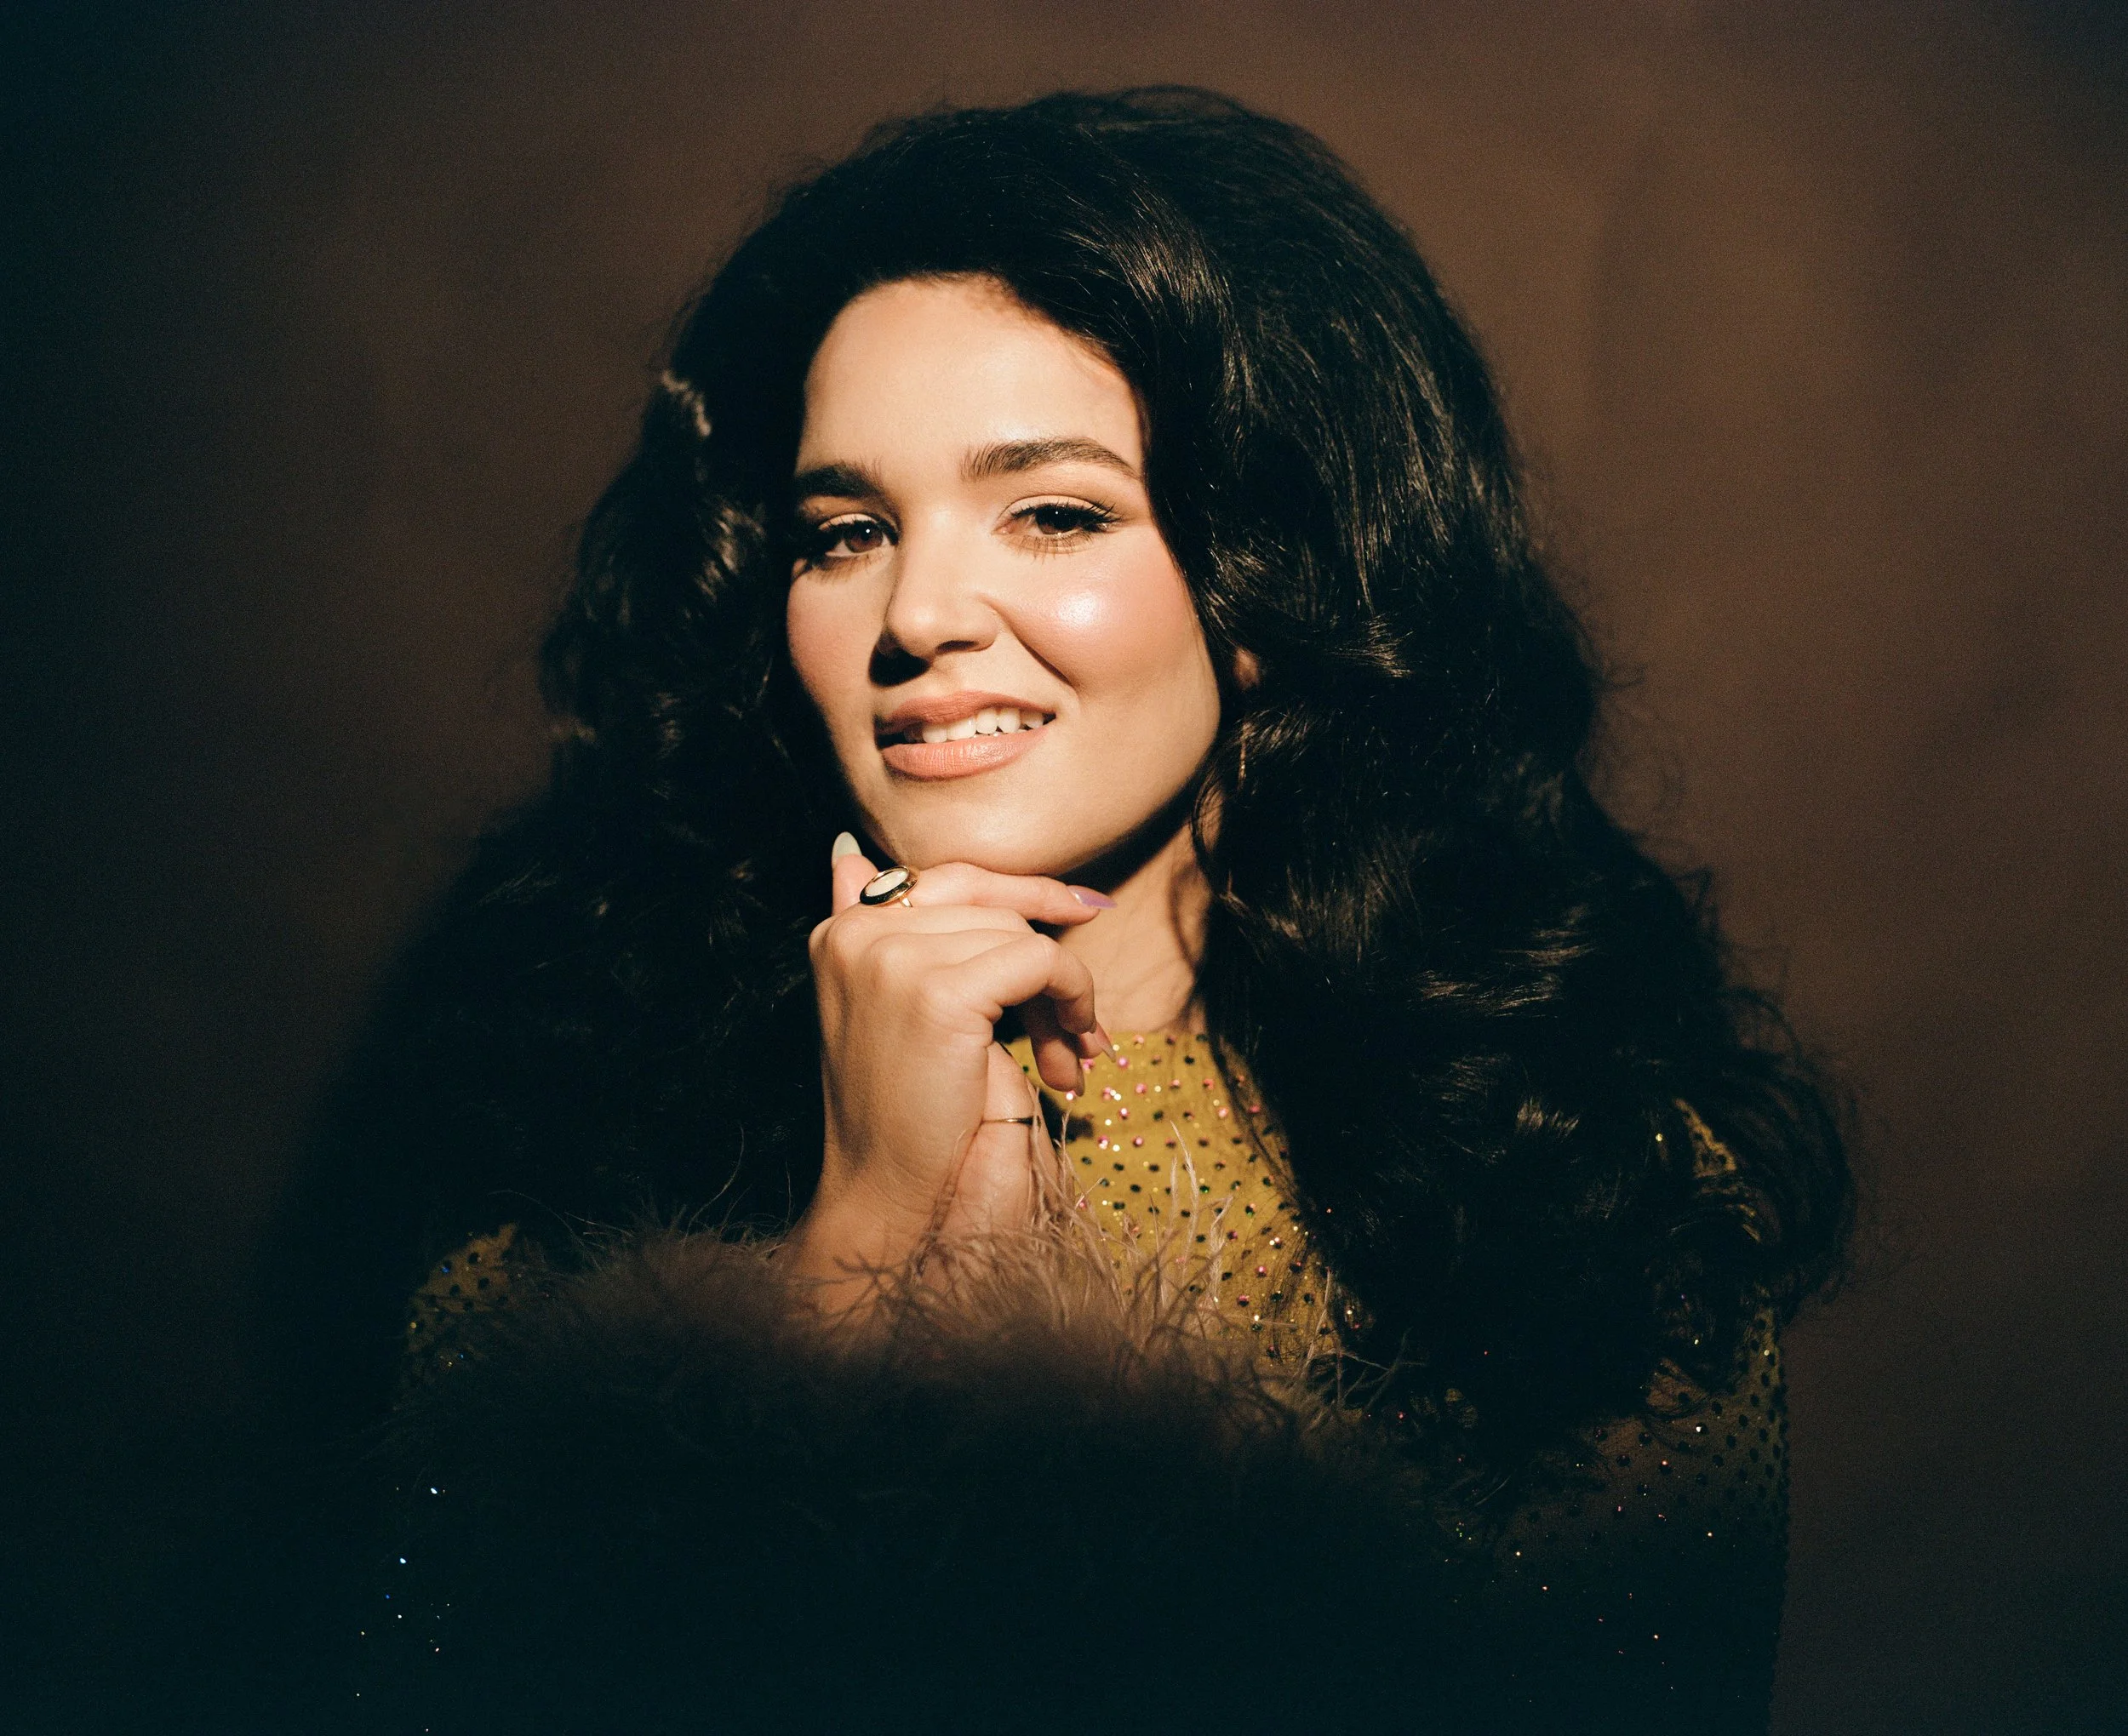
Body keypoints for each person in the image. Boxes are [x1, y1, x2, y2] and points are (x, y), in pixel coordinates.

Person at [309, 88, 1851, 1733]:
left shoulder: (1586, 1191)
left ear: (1270, 578)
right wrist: (839, 1285)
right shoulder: (571, 1186)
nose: (916, 615)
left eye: (1053, 511)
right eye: (845, 534)